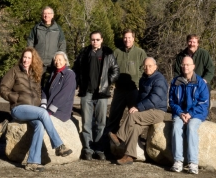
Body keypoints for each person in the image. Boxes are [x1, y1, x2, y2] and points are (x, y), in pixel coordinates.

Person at [0, 48, 73, 172]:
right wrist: (15, 97)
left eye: (29, 58)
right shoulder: (14, 71)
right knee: (44, 113)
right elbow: (3, 88)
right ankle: (59, 145)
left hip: (33, 110)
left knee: (39, 125)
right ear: (21, 58)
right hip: (19, 109)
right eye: (24, 57)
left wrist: (40, 103)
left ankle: (32, 162)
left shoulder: (35, 74)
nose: (26, 60)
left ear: (33, 60)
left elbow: (39, 92)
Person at [109, 57, 169, 165]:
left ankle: (119, 137)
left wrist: (138, 108)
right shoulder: (143, 79)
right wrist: (137, 106)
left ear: (155, 67)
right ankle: (129, 156)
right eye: (145, 66)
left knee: (133, 116)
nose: (147, 68)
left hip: (157, 111)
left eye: (150, 66)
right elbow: (141, 97)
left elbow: (154, 99)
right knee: (135, 128)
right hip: (146, 111)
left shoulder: (159, 80)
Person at [73, 31, 119, 161]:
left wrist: (107, 82)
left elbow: (115, 70)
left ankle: (99, 149)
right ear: (90, 40)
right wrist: (77, 83)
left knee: (101, 123)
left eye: (97, 39)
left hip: (101, 94)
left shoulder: (108, 54)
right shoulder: (84, 53)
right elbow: (76, 69)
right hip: (86, 92)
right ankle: (88, 149)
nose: (95, 42)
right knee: (86, 122)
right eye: (93, 39)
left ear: (102, 40)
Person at [169, 56, 210, 175]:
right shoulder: (176, 82)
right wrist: (180, 112)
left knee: (192, 127)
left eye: (188, 65)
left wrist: (190, 114)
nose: (185, 67)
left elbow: (203, 102)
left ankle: (193, 163)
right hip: (180, 113)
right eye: (183, 65)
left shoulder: (200, 82)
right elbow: (172, 101)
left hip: (196, 113)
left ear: (193, 66)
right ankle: (178, 161)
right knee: (176, 126)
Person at [106, 29, 147, 134]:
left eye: (129, 37)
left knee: (134, 116)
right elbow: (110, 69)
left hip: (134, 90)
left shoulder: (140, 53)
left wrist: (138, 82)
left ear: (133, 39)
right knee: (114, 116)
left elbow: (145, 69)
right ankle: (110, 141)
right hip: (119, 90)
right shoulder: (117, 52)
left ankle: (131, 141)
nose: (127, 40)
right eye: (125, 37)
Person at [27, 6, 67, 73]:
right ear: (42, 15)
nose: (46, 15)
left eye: (49, 13)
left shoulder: (58, 29)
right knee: (36, 82)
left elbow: (62, 43)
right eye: (45, 13)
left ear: (52, 15)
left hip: (53, 62)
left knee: (53, 82)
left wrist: (60, 58)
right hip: (39, 61)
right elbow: (30, 41)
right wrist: (31, 55)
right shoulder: (37, 28)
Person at [41, 51, 77, 121]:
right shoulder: (53, 73)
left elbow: (64, 95)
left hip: (60, 111)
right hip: (48, 107)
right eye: (56, 60)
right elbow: (45, 90)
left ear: (65, 61)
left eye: (60, 59)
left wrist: (50, 110)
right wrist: (43, 104)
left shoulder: (69, 74)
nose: (57, 62)